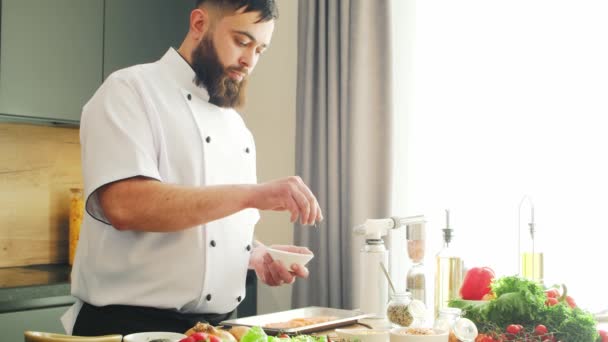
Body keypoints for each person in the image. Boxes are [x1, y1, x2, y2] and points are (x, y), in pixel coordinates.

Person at [61, 0, 323, 336]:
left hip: (218, 328)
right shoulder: (129, 90)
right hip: (130, 327)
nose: (250, 60)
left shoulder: (237, 127)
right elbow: (125, 206)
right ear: (199, 23)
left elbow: (210, 228)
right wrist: (253, 195)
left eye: (260, 49)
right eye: (242, 42)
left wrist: (256, 255)